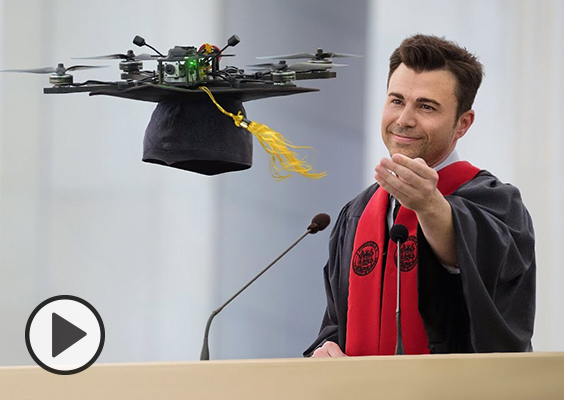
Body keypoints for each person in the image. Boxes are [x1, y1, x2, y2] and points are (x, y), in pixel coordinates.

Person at [305, 34, 536, 357]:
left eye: (426, 107)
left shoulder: (496, 205)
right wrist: (325, 348)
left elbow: (483, 284)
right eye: (396, 101)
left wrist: (430, 207)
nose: (404, 119)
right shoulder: (356, 214)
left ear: (463, 124)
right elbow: (335, 322)